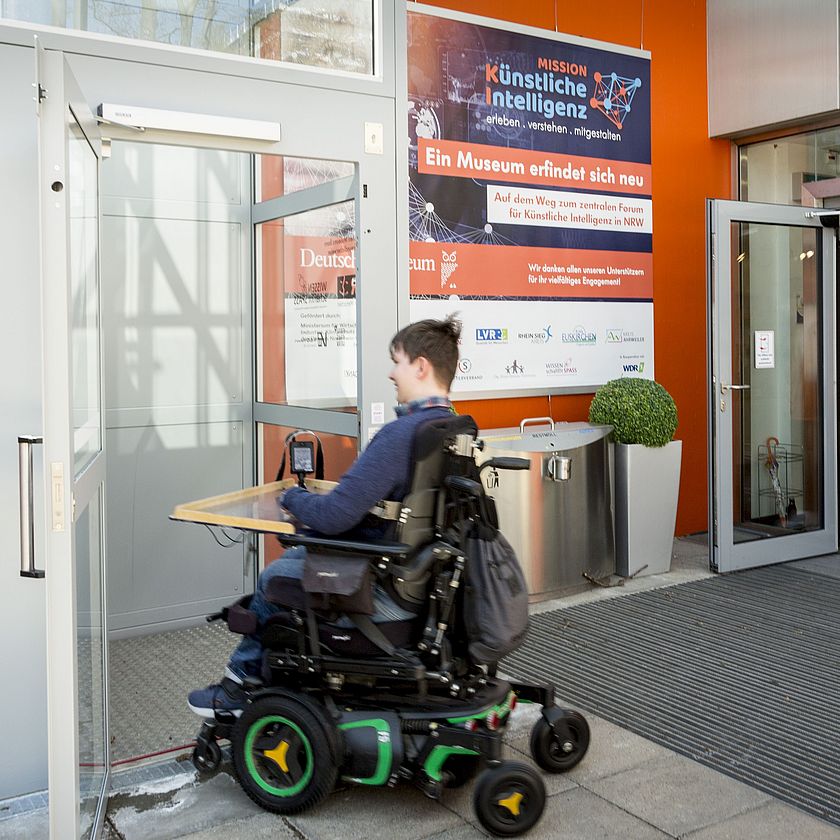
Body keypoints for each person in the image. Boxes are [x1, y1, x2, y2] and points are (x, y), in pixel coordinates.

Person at [188, 316, 461, 717]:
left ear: (421, 367)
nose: (391, 372)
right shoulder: (452, 428)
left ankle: (238, 687)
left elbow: (335, 514)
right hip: (417, 585)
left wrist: (294, 498)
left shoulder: (400, 435)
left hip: (383, 595)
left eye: (397, 361)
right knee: (295, 561)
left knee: (274, 577)